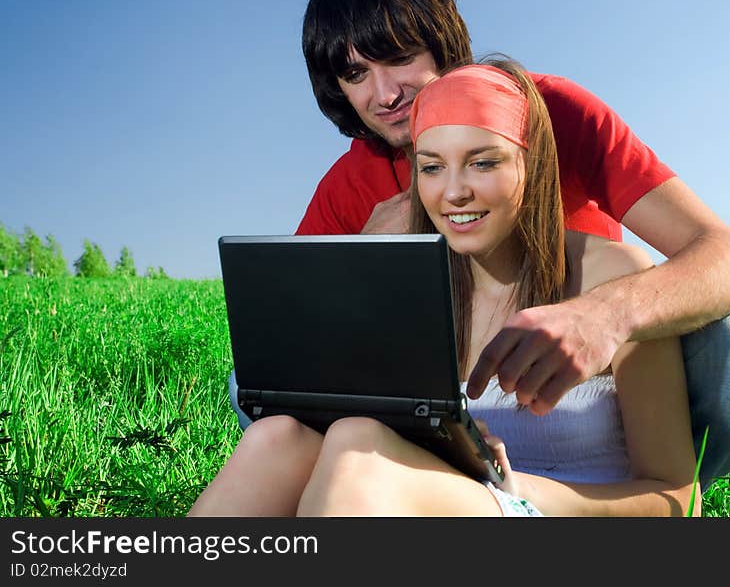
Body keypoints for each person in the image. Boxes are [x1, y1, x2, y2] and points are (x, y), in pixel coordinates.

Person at [230, 0, 730, 489]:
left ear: (444, 46)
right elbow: (293, 349)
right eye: (355, 73)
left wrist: (605, 316)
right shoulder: (352, 182)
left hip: (599, 388)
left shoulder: (552, 112)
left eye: (400, 56)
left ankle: (638, 494)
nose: (385, 93)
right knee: (249, 386)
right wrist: (367, 267)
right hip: (458, 413)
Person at [192, 61, 700, 516]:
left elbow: (677, 500)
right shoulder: (408, 286)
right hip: (435, 501)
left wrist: (513, 489)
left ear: (532, 162)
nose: (453, 191)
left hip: (547, 512)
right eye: (432, 167)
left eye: (483, 162)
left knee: (357, 460)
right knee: (280, 438)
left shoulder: (613, 275)